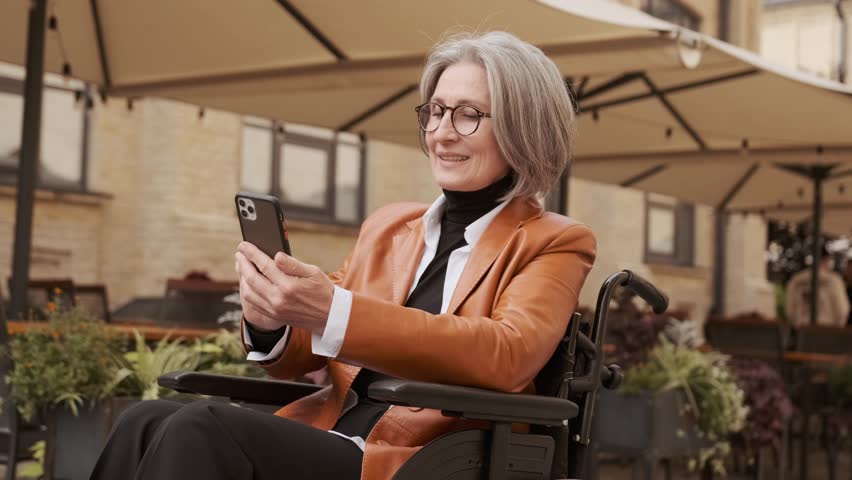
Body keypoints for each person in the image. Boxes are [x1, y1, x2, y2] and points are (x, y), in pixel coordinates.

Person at [90, 31, 595, 480]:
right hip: (331, 432)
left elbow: (506, 354)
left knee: (202, 426)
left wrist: (330, 308)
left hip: (421, 457)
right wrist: (272, 315)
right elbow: (307, 346)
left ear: (523, 128)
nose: (441, 132)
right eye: (436, 111)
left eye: (468, 116)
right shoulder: (390, 225)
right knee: (142, 420)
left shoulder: (555, 240)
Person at [785, 246, 850, 328]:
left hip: (801, 330)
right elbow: (842, 310)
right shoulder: (834, 281)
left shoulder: (796, 280)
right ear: (827, 260)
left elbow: (790, 310)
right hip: (828, 330)